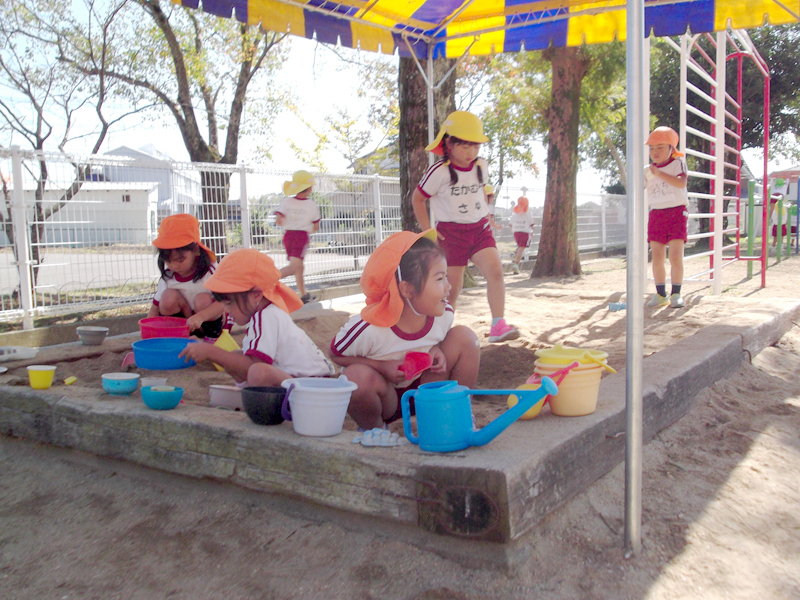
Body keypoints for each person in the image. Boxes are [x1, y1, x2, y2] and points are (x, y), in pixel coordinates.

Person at [329, 230, 480, 430]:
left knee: (465, 338)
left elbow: (435, 339)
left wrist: (435, 348)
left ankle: (457, 414)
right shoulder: (370, 327)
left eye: (446, 277)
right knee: (355, 377)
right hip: (387, 399)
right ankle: (374, 431)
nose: (449, 287)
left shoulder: (443, 315)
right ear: (407, 289)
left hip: (427, 392)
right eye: (439, 279)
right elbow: (335, 354)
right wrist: (381, 367)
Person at [411, 110, 519, 343]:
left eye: (476, 146)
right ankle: (443, 331)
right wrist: (428, 230)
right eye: (465, 146)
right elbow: (417, 199)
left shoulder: (481, 165)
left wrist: (487, 216)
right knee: (452, 286)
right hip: (451, 234)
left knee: (496, 272)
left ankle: (498, 325)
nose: (471, 152)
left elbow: (480, 192)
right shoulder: (438, 171)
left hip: (480, 230)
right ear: (449, 143)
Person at [179, 248, 336, 387]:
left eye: (229, 304)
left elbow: (255, 366)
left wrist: (210, 352)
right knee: (234, 357)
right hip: (306, 381)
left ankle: (272, 404)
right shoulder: (265, 313)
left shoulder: (266, 317)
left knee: (257, 372)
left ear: (256, 295)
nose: (226, 310)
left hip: (313, 386)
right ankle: (252, 397)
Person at [149, 213, 227, 338]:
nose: (174, 266)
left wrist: (200, 317)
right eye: (169, 261)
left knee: (202, 300)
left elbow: (223, 303)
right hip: (184, 325)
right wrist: (149, 330)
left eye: (180, 260)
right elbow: (155, 308)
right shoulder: (168, 276)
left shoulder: (209, 271)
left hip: (207, 323)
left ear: (196, 250)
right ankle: (178, 336)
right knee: (168, 297)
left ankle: (209, 339)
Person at [644, 126, 689, 309]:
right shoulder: (647, 170)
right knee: (657, 256)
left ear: (671, 148)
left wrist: (660, 173)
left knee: (676, 256)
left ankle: (676, 293)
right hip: (656, 213)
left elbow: (681, 182)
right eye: (652, 148)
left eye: (660, 147)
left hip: (677, 212)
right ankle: (660, 293)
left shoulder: (678, 162)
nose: (655, 152)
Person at [275, 170, 320, 304]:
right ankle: (267, 279)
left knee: (299, 266)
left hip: (288, 235)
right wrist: (308, 229)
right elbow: (315, 226)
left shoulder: (286, 201)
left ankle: (304, 295)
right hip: (301, 236)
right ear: (309, 188)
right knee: (295, 266)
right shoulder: (311, 205)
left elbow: (278, 220)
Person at [509, 196, 534, 274]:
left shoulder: (514, 214)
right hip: (525, 232)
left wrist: (514, 230)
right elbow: (532, 224)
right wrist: (532, 232)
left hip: (516, 232)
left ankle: (515, 254)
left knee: (520, 246)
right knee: (522, 248)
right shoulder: (529, 213)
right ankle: (516, 264)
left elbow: (510, 224)